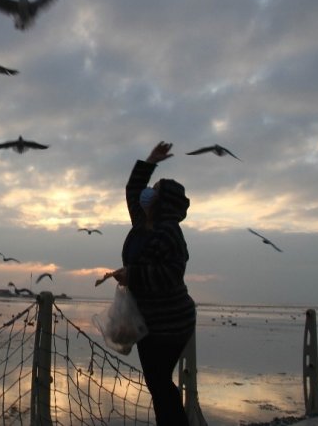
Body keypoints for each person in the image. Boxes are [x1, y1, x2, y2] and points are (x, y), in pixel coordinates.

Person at [111, 140, 196, 426]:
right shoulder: (142, 222)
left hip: (170, 324)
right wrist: (150, 161)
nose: (148, 194)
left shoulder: (169, 233)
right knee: (158, 384)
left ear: (162, 203)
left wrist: (131, 275)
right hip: (150, 320)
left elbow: (170, 274)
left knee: (159, 385)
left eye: (155, 192)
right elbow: (133, 190)